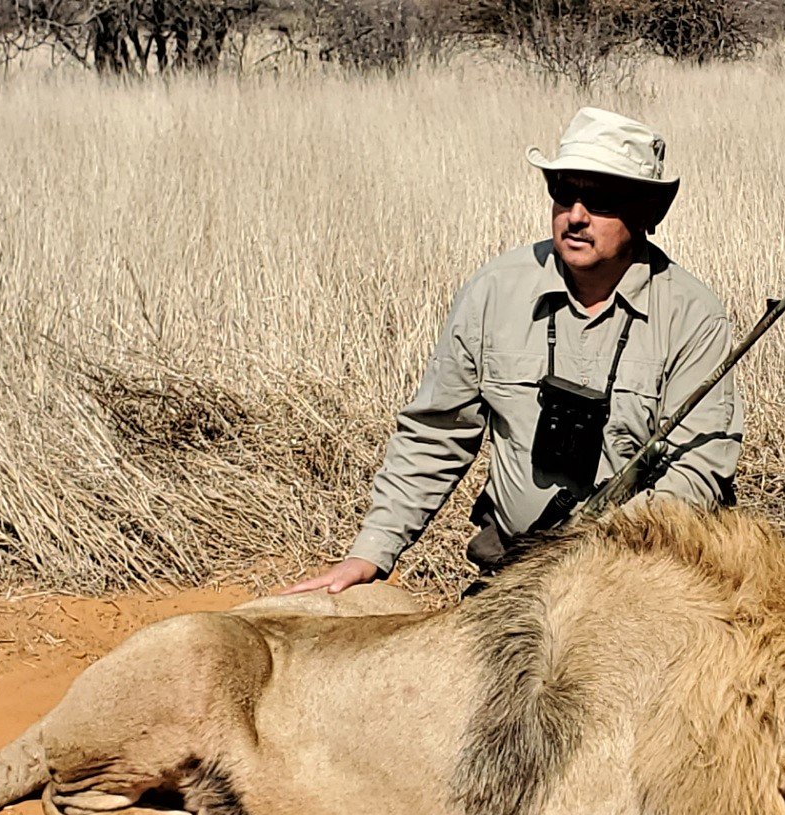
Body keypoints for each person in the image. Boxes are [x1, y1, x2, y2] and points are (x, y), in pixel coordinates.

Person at [284, 107, 742, 596]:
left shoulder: (693, 316)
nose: (576, 216)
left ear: (647, 211)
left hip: (638, 581)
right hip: (511, 575)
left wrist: (593, 553)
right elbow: (436, 432)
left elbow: (697, 472)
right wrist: (371, 551)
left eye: (601, 199)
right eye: (564, 193)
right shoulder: (494, 290)